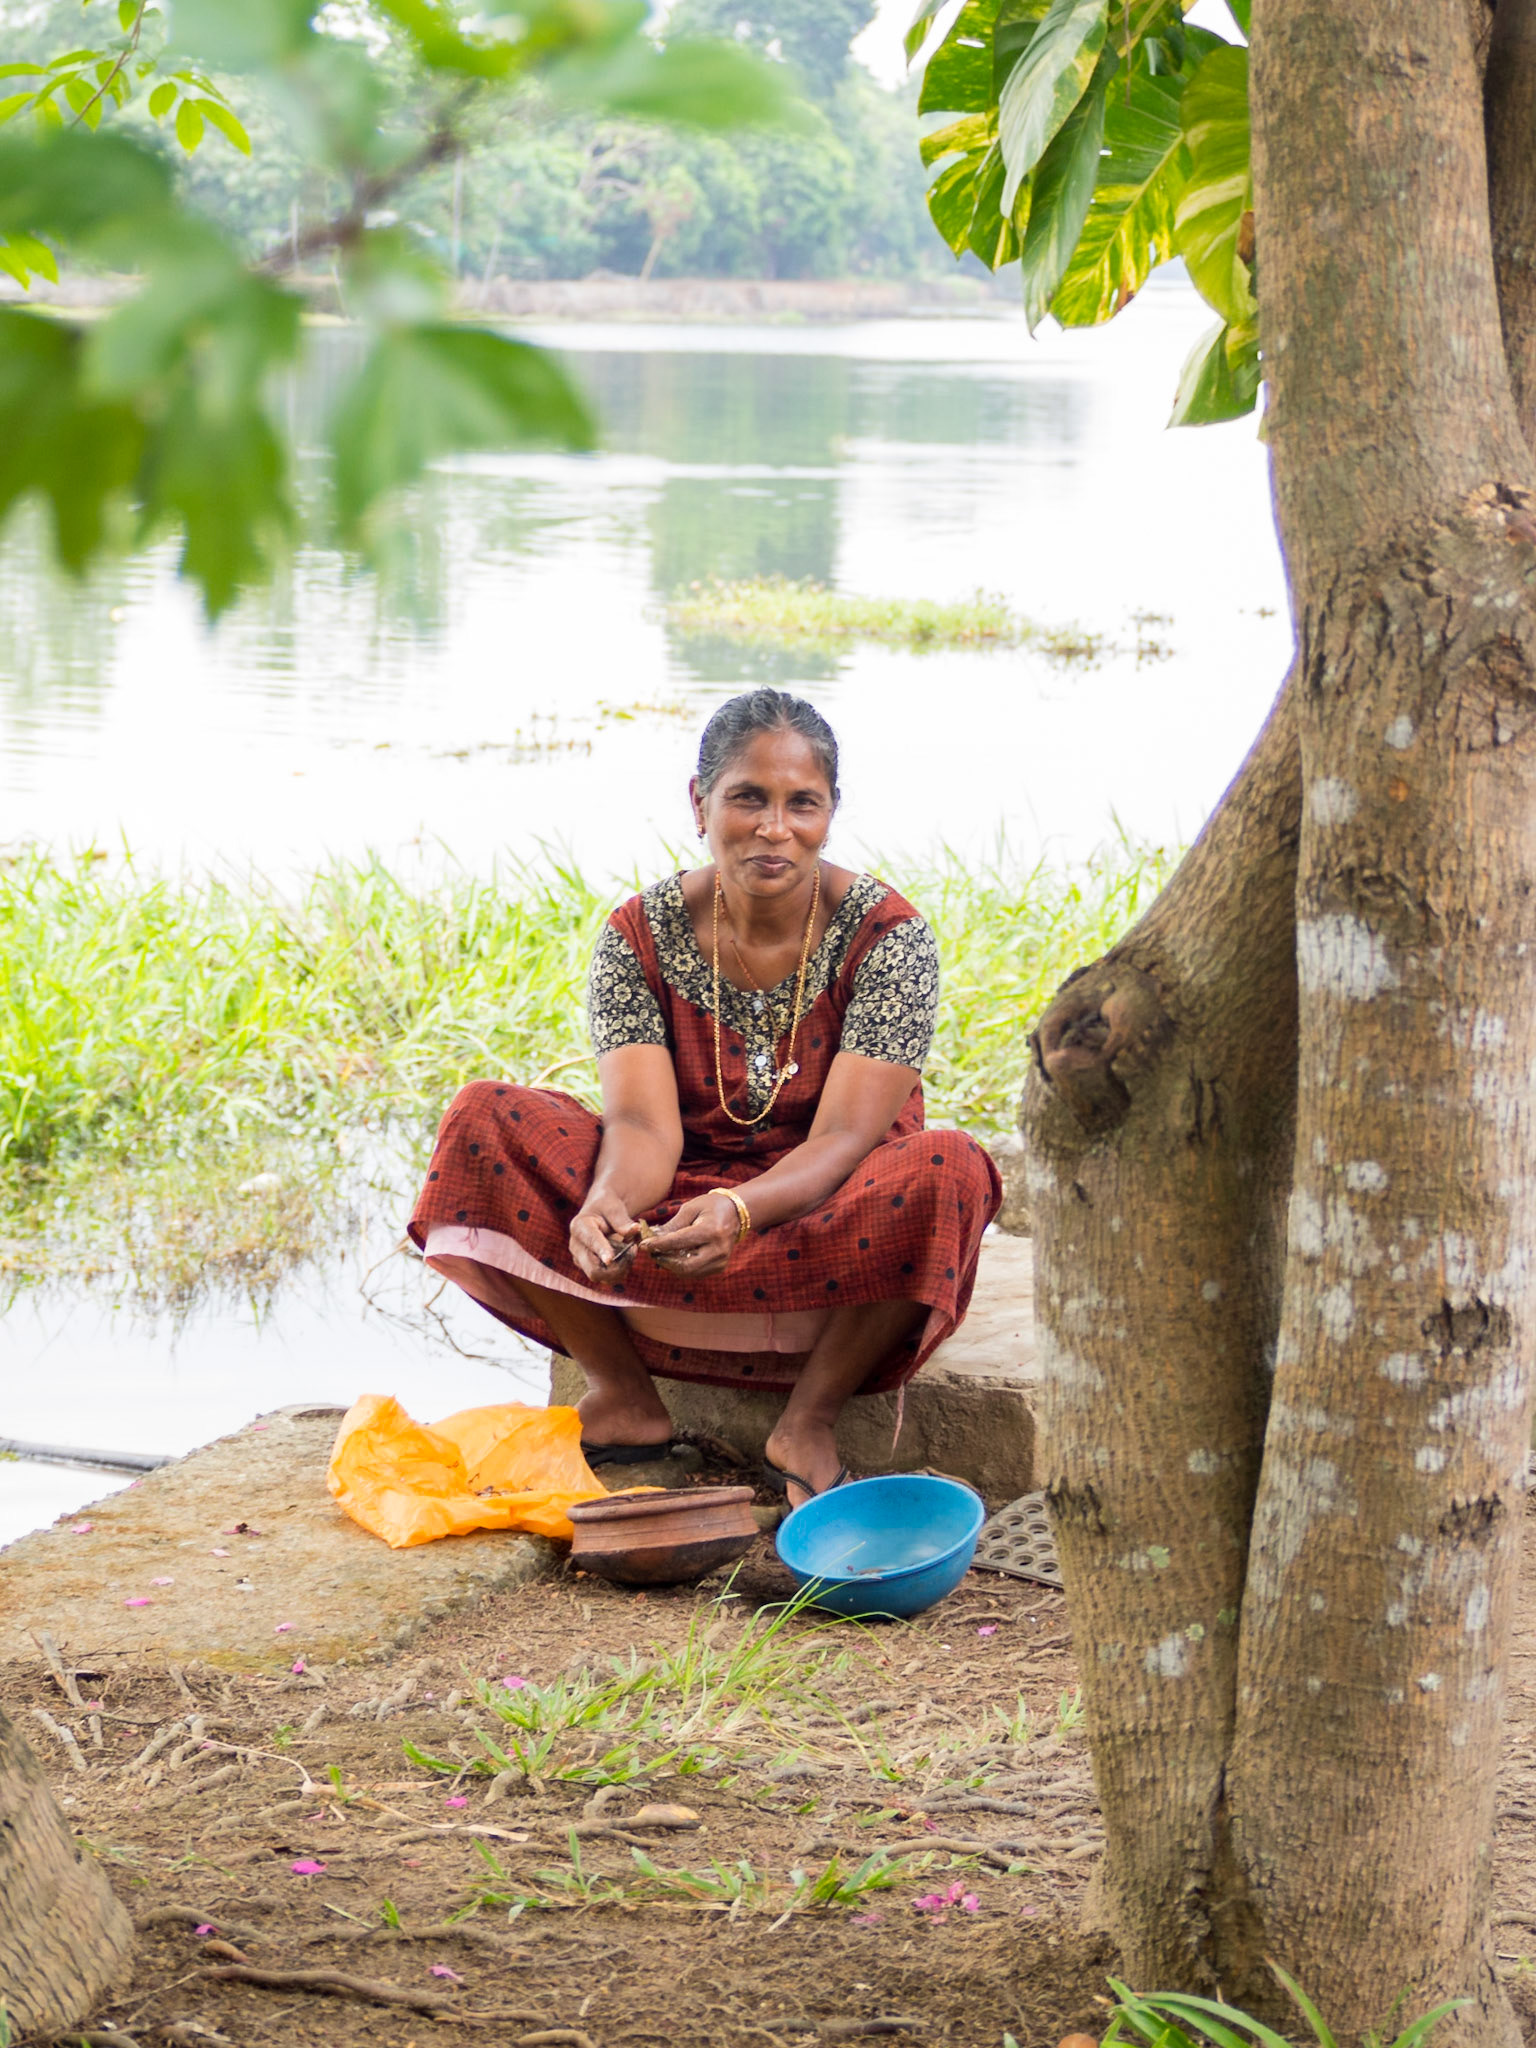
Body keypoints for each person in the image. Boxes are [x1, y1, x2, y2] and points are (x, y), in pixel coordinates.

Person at [408, 688, 1001, 1507]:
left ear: (832, 813)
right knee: (484, 1117)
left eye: (803, 804)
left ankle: (808, 1422)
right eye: (747, 798)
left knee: (951, 1167)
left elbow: (843, 1143)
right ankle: (623, 1394)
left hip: (821, 1210)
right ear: (700, 802)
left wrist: (742, 1211)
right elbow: (645, 1125)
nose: (774, 828)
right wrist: (609, 1202)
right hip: (680, 1211)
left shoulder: (890, 939)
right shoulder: (637, 935)